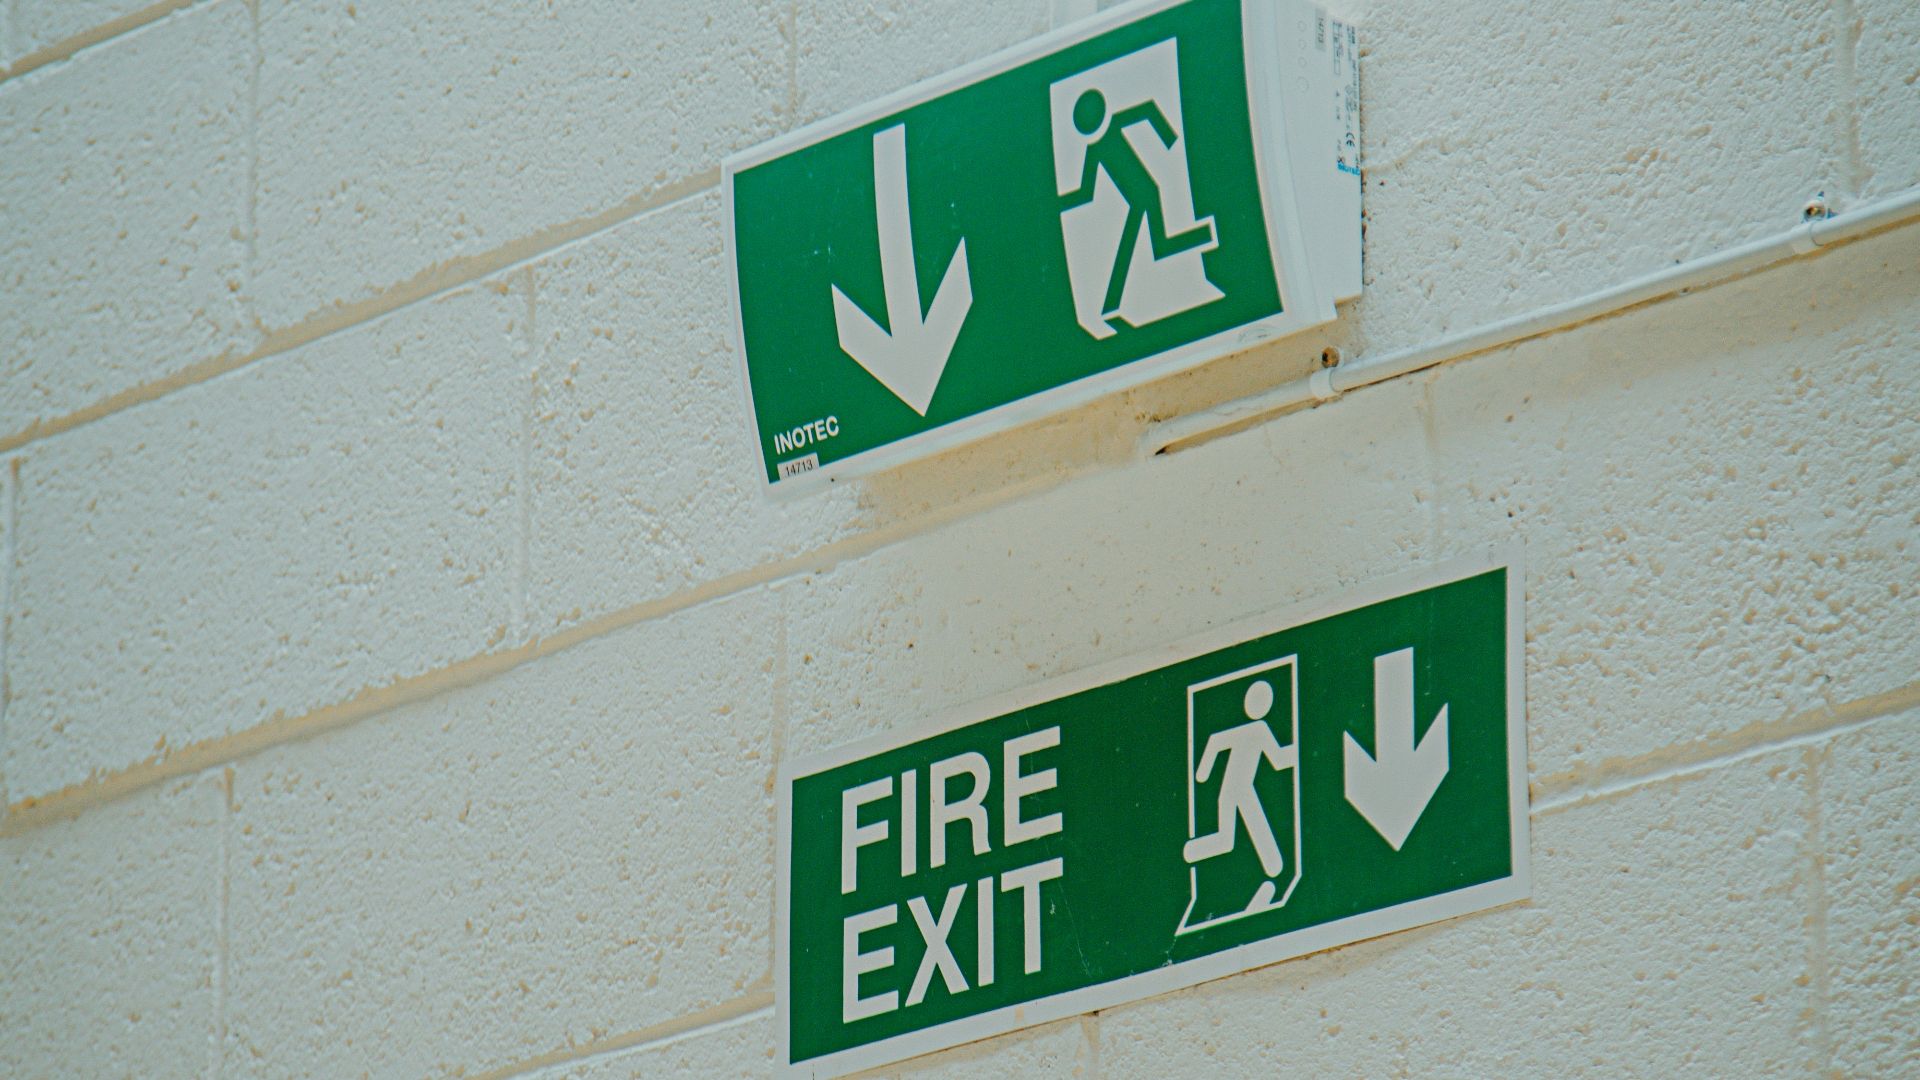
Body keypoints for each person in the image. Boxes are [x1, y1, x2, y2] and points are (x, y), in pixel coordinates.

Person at [1060, 88, 1216, 318]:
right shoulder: (1095, 150)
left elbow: (1145, 112)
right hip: (1138, 195)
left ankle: (1113, 301)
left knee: (1139, 231)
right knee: (1133, 237)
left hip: (1146, 190)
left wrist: (1166, 133)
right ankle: (1112, 302)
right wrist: (1067, 203)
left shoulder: (1109, 131)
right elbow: (1086, 190)